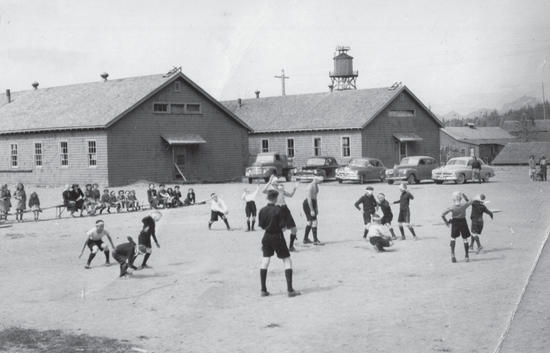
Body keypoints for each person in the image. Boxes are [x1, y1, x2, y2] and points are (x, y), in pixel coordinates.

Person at [258, 189, 301, 298]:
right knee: (287, 260)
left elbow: (262, 226)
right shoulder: (279, 210)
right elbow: (284, 227)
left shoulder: (262, 210)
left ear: (267, 197)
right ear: (276, 198)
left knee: (265, 261)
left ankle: (263, 290)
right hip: (277, 236)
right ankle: (290, 290)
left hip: (266, 237)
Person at [262, 175, 299, 250]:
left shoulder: (281, 189)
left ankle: (291, 246)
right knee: (279, 229)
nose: (278, 183)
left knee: (294, 229)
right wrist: (269, 182)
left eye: (278, 181)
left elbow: (290, 195)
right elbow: (263, 191)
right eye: (276, 181)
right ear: (273, 183)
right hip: (278, 210)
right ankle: (267, 244)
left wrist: (295, 188)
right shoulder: (271, 191)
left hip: (285, 209)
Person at [441, 192, 473, 263]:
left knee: (453, 238)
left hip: (455, 222)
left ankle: (453, 255)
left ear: (453, 199)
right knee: (465, 239)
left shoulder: (452, 207)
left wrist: (446, 222)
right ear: (460, 198)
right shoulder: (464, 205)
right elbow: (470, 201)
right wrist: (464, 195)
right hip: (463, 222)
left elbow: (442, 214)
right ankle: (467, 256)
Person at [302, 176, 323, 246]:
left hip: (313, 203)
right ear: (316, 179)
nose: (321, 182)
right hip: (308, 204)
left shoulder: (316, 185)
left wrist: (316, 207)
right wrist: (311, 210)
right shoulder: (310, 187)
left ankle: (305, 239)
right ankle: (315, 240)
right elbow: (309, 199)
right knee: (314, 221)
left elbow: (315, 197)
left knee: (309, 222)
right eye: (320, 181)